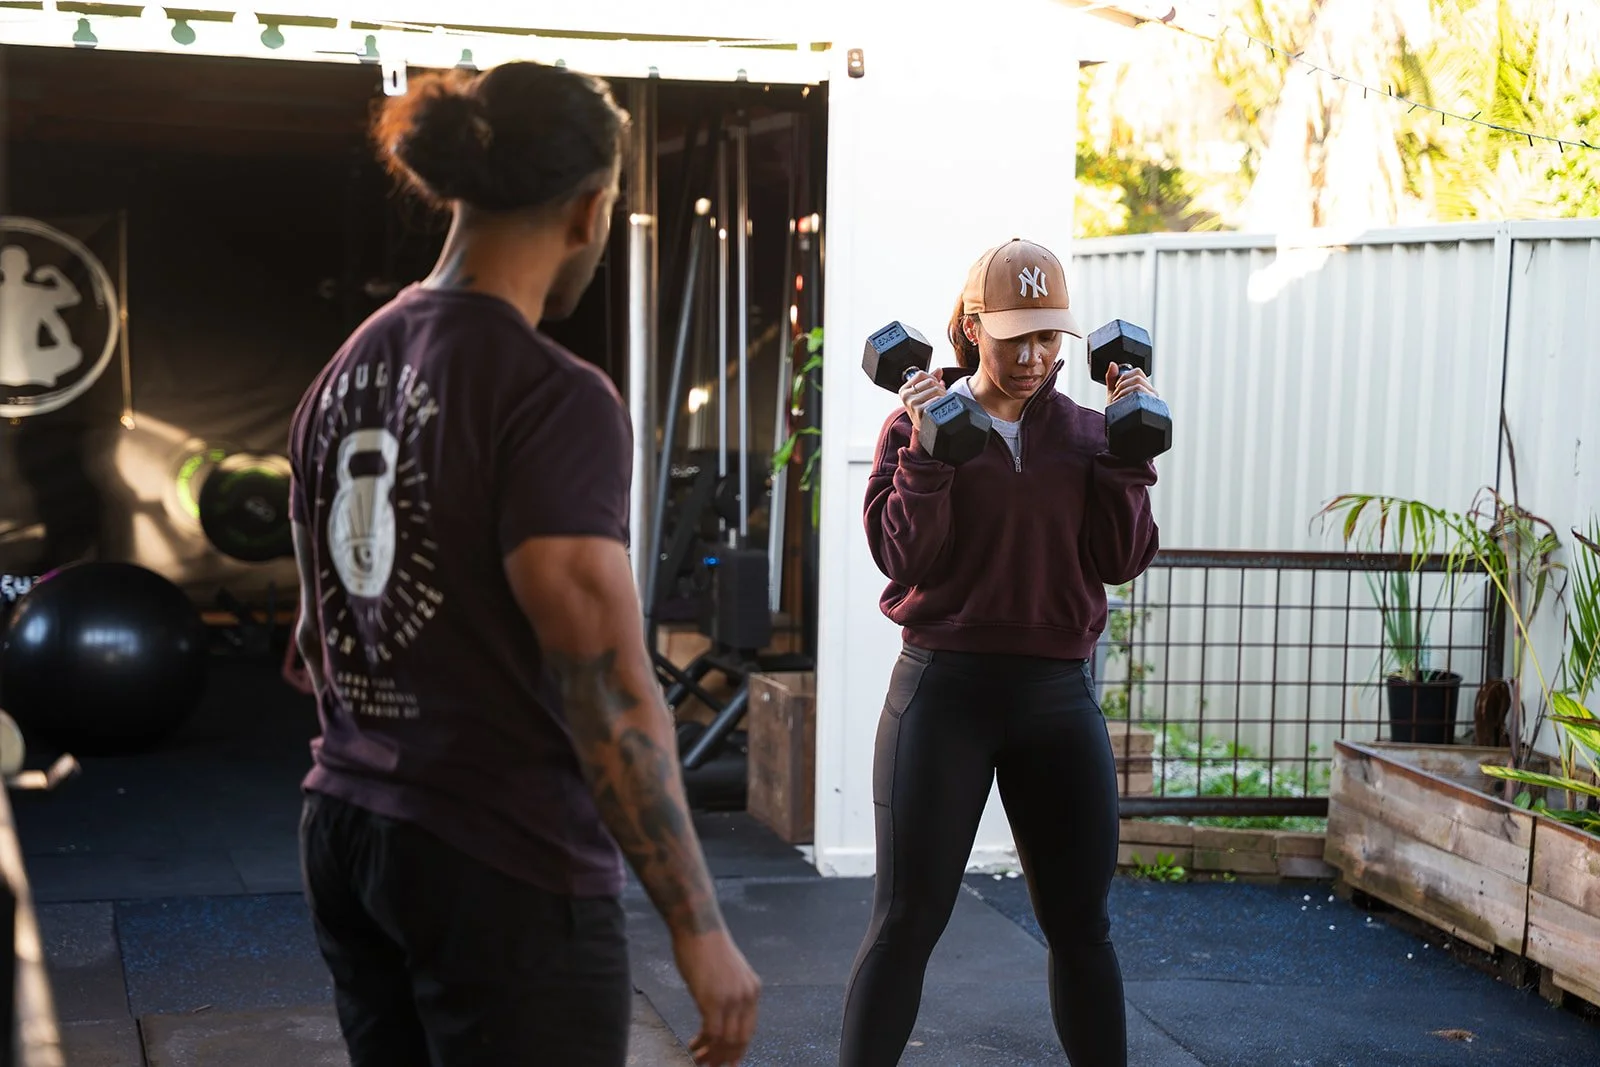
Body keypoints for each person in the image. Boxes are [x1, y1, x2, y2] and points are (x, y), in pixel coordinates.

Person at [285, 61, 761, 1067]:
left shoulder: (346, 369)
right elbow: (608, 689)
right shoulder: (552, 394)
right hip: (497, 861)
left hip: (348, 828)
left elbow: (312, 642)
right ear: (589, 209)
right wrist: (699, 928)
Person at [840, 238, 1162, 1067]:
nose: (1033, 357)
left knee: (1082, 926)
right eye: (1016, 336)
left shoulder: (1090, 434)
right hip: (943, 693)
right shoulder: (914, 421)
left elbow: (1120, 560)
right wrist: (926, 453)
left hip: (1056, 700)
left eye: (1049, 337)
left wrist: (1128, 459)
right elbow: (902, 556)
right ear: (973, 326)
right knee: (907, 921)